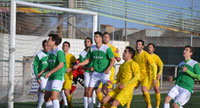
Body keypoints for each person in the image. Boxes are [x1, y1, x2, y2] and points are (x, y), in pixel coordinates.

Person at [73, 31, 115, 108]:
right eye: (94, 37)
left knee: (105, 90)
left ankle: (114, 103)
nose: (95, 38)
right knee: (89, 91)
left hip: (104, 73)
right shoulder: (92, 48)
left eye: (97, 37)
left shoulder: (107, 48)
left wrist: (108, 69)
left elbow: (113, 60)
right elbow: (88, 60)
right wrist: (78, 64)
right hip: (95, 73)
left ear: (101, 38)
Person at [37, 34, 66, 108]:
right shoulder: (50, 52)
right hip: (51, 77)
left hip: (58, 77)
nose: (47, 40)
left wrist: (49, 73)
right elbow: (49, 65)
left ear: (54, 42)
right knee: (46, 97)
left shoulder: (59, 51)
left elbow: (61, 65)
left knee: (53, 97)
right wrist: (42, 72)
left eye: (49, 39)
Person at [96, 32, 121, 108]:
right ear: (102, 38)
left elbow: (119, 59)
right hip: (99, 71)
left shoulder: (112, 48)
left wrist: (115, 54)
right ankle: (107, 105)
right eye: (104, 37)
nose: (106, 38)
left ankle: (108, 105)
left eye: (107, 37)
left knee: (107, 90)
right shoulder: (98, 47)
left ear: (109, 39)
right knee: (98, 90)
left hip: (109, 72)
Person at [131, 40, 157, 108]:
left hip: (145, 75)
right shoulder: (134, 54)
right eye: (137, 44)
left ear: (142, 46)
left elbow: (154, 66)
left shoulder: (146, 54)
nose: (137, 45)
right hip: (137, 75)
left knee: (144, 89)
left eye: (139, 44)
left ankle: (149, 105)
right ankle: (127, 106)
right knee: (130, 89)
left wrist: (154, 78)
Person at [33, 40, 50, 108]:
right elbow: (35, 66)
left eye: (48, 45)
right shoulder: (39, 54)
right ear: (43, 46)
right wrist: (38, 77)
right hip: (42, 76)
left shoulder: (53, 54)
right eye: (45, 46)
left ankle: (39, 106)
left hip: (50, 76)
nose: (47, 47)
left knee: (42, 93)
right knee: (45, 92)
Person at [147, 43, 163, 108]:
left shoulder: (156, 57)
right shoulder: (145, 55)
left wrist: (159, 74)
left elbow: (161, 65)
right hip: (147, 77)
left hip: (154, 77)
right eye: (148, 47)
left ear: (153, 49)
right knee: (145, 90)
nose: (149, 48)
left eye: (150, 47)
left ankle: (157, 106)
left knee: (156, 89)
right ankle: (149, 105)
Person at [61, 41, 76, 108]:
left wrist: (70, 69)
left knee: (66, 93)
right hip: (60, 76)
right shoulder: (59, 55)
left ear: (69, 48)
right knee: (56, 92)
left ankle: (70, 106)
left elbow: (75, 66)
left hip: (68, 77)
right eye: (64, 45)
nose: (65, 47)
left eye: (66, 46)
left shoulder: (71, 57)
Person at [79, 37, 93, 108]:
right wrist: (88, 68)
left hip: (95, 74)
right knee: (87, 90)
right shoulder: (82, 54)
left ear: (91, 43)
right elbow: (82, 66)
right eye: (85, 41)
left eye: (88, 41)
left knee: (96, 90)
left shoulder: (94, 51)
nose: (86, 43)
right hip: (87, 73)